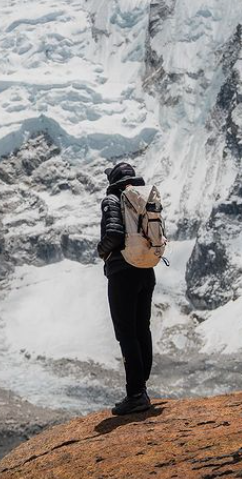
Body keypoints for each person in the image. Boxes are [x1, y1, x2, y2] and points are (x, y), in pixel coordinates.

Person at [98, 161, 155, 415]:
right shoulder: (142, 199)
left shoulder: (112, 199)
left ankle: (135, 394)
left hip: (123, 274)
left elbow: (113, 234)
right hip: (146, 271)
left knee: (126, 333)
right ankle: (141, 387)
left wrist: (102, 252)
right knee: (142, 328)